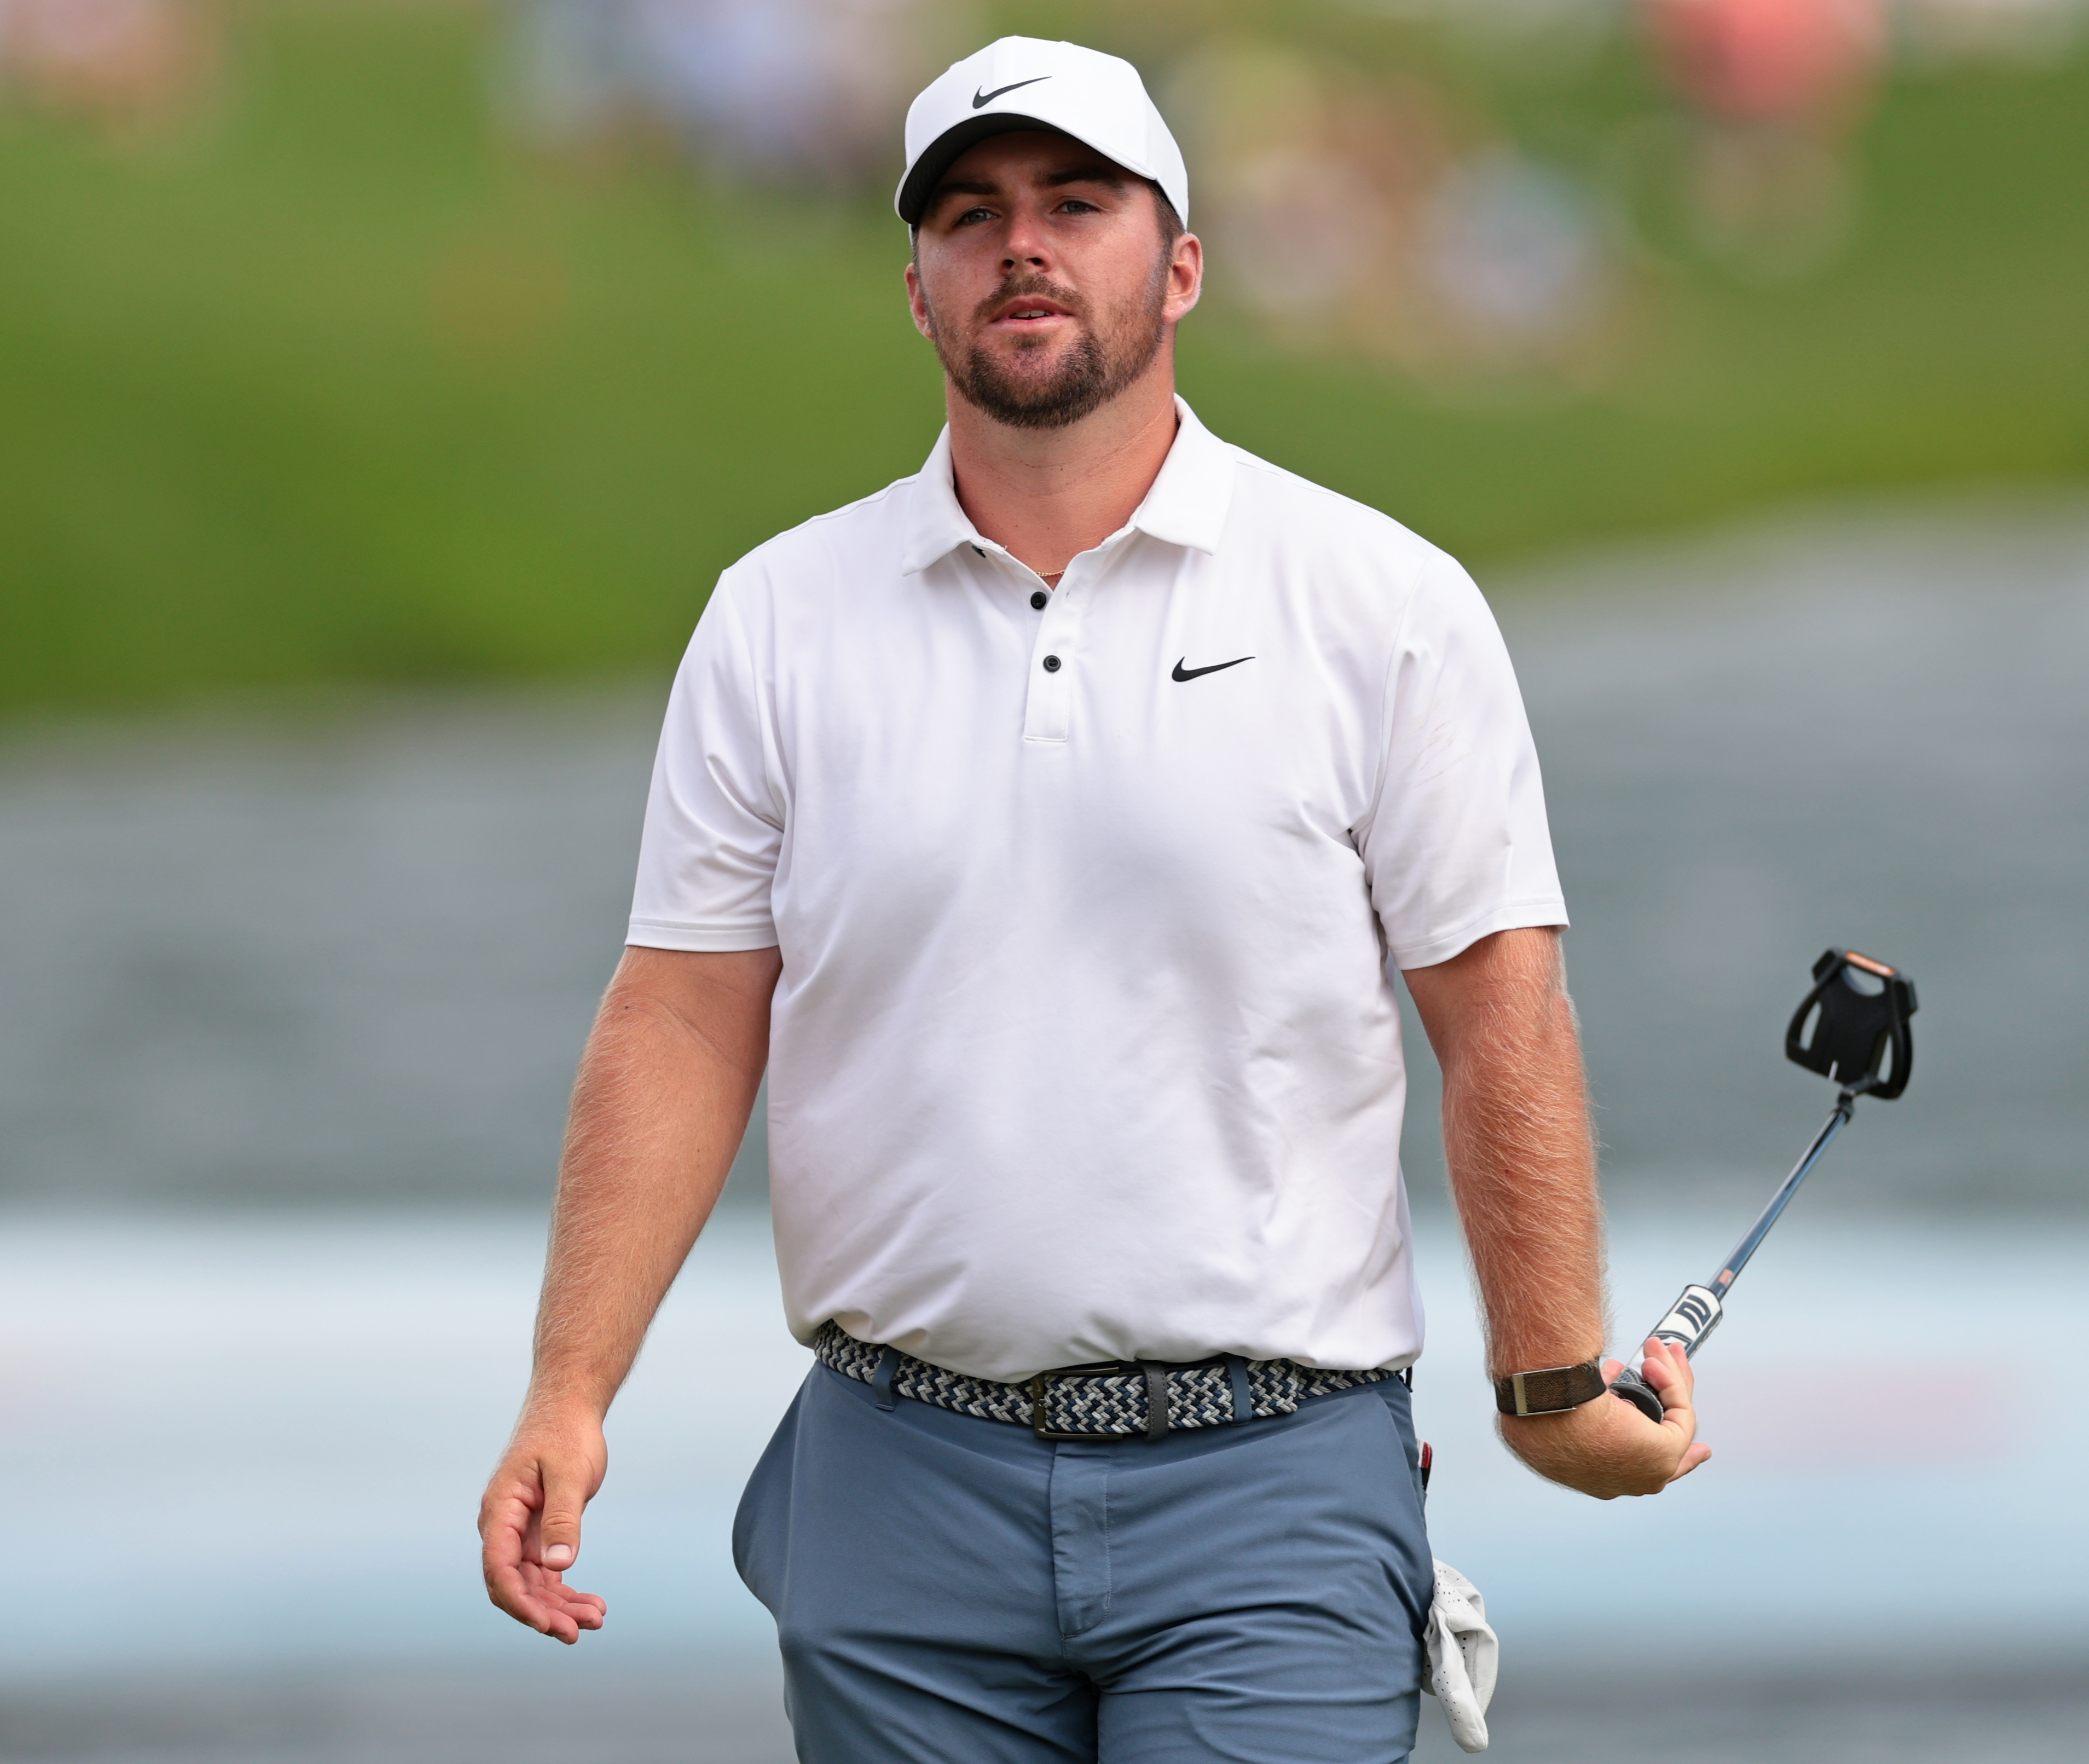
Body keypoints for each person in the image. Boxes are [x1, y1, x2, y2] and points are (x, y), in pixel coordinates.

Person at [478, 35, 1709, 1763]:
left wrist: (1550, 1388)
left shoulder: (1375, 600)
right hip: (896, 1480)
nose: (1023, 246)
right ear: (916, 289)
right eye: (971, 216)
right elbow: (683, 1015)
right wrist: (571, 1386)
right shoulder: (778, 616)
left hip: (1267, 1478)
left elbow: (1496, 1012)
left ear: (1180, 263)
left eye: (1077, 202)